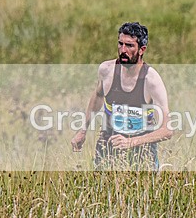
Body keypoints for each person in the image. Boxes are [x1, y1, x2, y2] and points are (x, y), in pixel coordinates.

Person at [71, 21, 172, 168]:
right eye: (120, 44)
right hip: (108, 145)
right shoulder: (106, 70)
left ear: (142, 49)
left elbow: (167, 130)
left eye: (130, 45)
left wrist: (131, 142)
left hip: (142, 150)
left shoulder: (151, 80)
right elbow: (98, 96)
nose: (123, 50)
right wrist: (83, 130)